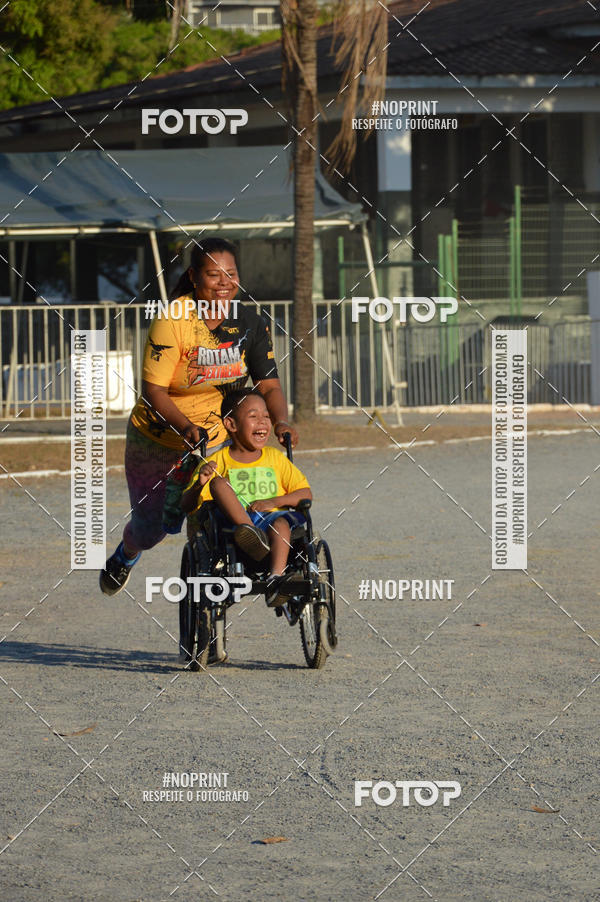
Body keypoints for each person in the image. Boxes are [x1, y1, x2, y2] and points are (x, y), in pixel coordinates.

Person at [100, 237, 298, 596]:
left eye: (231, 274)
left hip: (216, 437)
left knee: (215, 511)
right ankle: (125, 554)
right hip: (158, 439)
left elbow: (268, 385)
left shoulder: (249, 320)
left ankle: (215, 593)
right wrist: (186, 426)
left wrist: (281, 419)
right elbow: (154, 390)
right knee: (149, 530)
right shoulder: (173, 320)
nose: (224, 282)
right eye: (213, 274)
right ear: (194, 276)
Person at [181, 387, 312, 607]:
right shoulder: (217, 461)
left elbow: (305, 494)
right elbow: (187, 505)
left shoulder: (275, 458)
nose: (262, 422)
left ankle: (276, 580)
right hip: (234, 527)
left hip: (272, 521)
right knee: (218, 483)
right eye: (253, 416)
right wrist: (199, 486)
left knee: (281, 524)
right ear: (231, 424)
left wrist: (273, 502)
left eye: (266, 416)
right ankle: (249, 532)